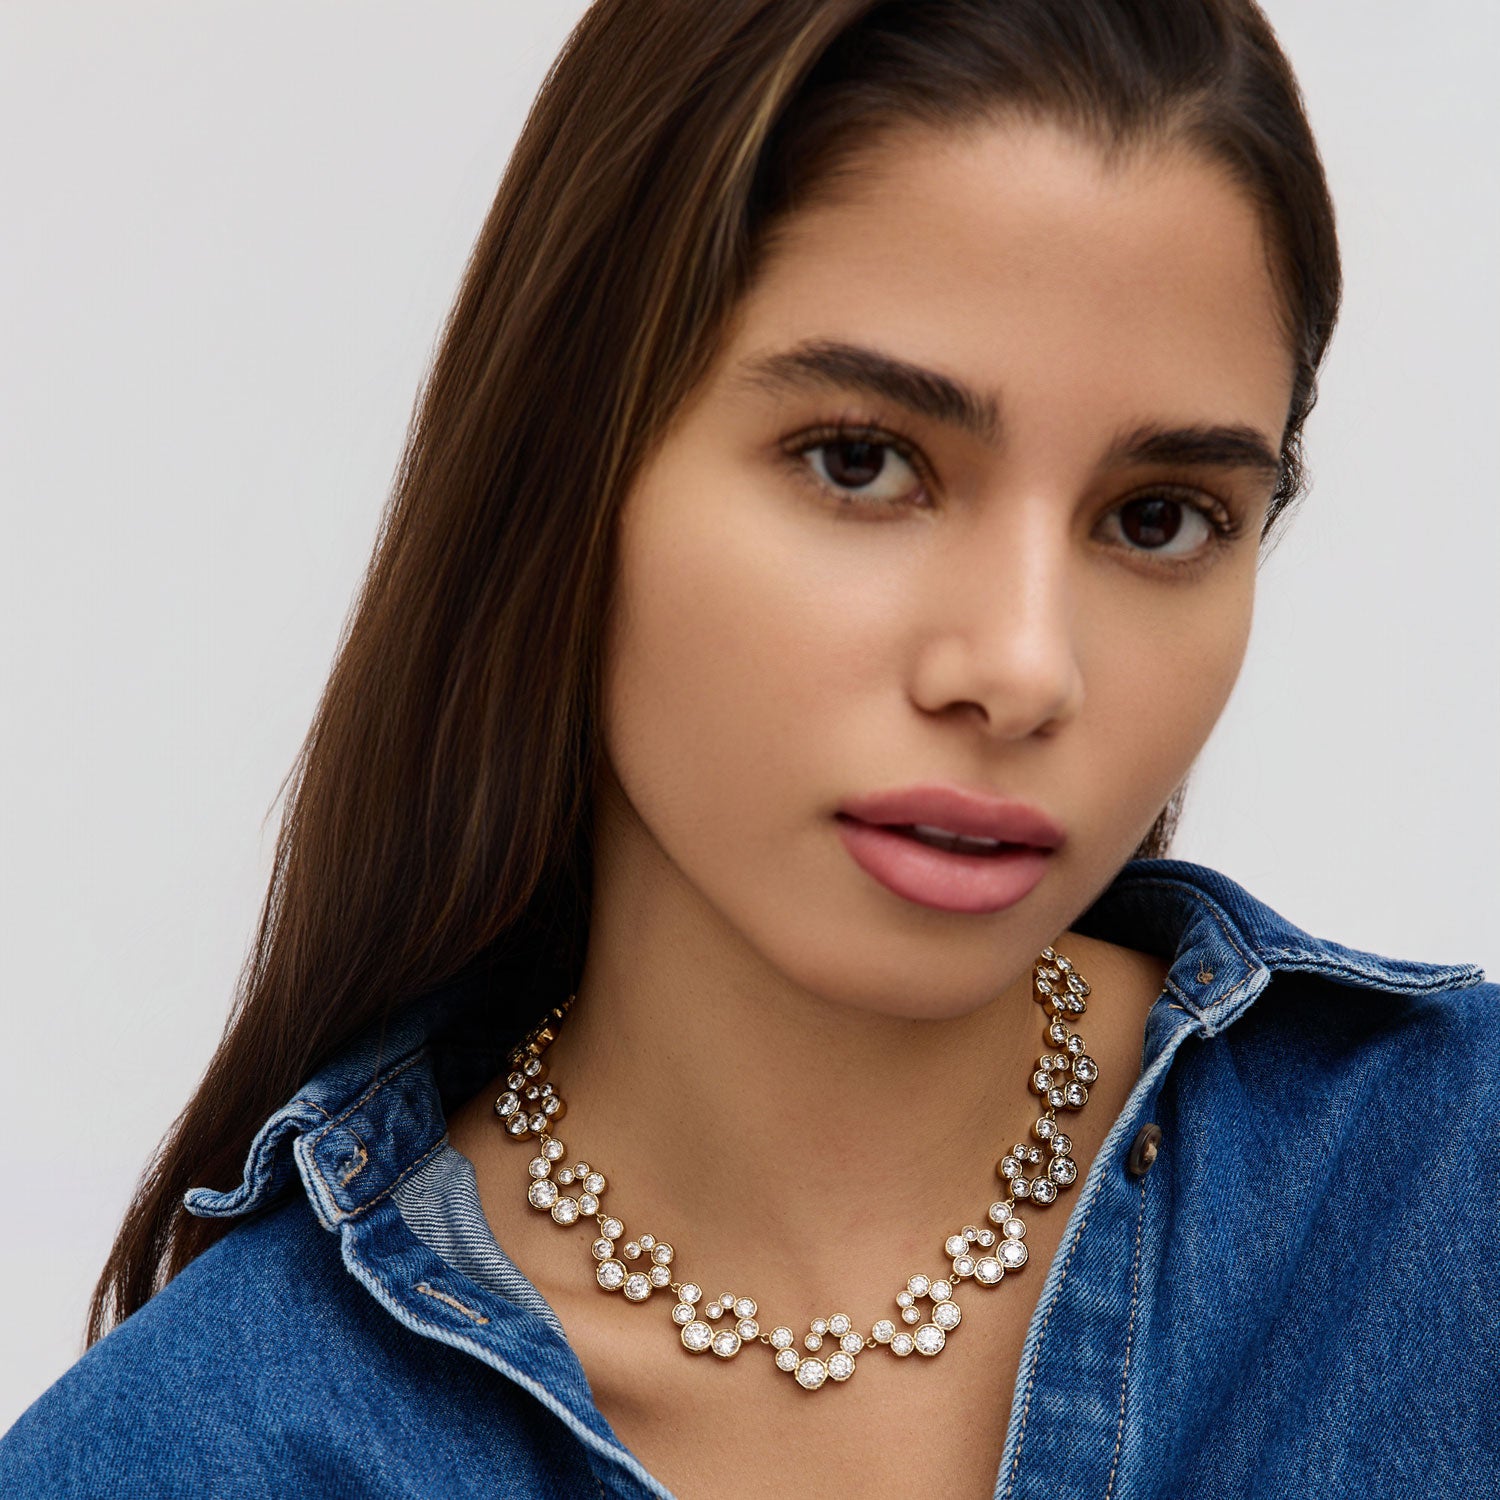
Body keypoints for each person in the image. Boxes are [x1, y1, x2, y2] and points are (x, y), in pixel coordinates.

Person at [3, 0, 1494, 1495]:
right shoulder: (195, 1457)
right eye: (864, 463)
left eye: (1159, 517)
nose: (1024, 669)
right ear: (569, 472)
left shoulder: (1449, 1196)